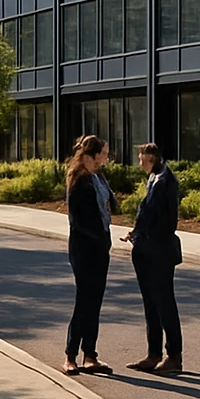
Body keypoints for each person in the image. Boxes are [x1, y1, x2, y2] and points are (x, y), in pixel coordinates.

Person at [123, 142, 183, 375]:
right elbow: (148, 215)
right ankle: (153, 353)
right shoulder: (154, 178)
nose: (139, 163)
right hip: (146, 248)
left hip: (158, 251)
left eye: (141, 159)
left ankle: (174, 356)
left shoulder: (165, 182)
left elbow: (165, 221)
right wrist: (136, 232)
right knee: (150, 303)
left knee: (164, 302)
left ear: (152, 159)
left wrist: (148, 239)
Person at [63, 134, 113, 376]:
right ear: (93, 155)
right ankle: (70, 355)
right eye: (104, 153)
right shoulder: (78, 180)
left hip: (101, 247)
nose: (107, 158)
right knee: (84, 300)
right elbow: (78, 220)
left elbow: (109, 204)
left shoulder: (98, 177)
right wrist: (98, 237)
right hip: (83, 248)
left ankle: (90, 355)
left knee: (95, 300)